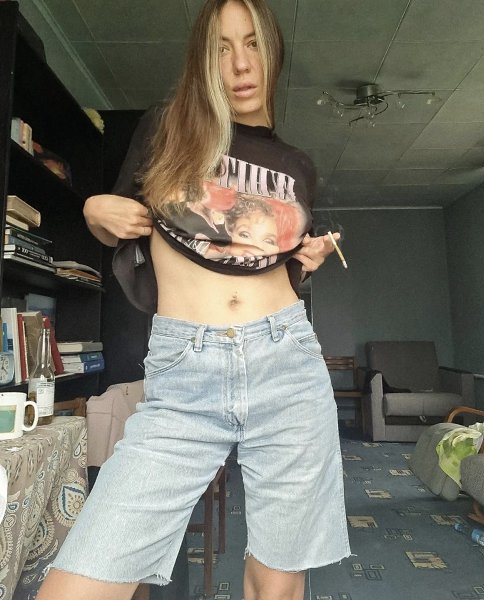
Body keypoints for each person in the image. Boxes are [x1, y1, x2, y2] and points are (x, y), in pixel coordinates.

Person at [37, 1, 350, 599]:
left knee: (278, 583)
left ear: (273, 51)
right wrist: (93, 210)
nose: (240, 64)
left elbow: (274, 266)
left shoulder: (297, 166)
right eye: (221, 48)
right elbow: (122, 225)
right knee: (81, 580)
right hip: (185, 371)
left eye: (252, 43)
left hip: (287, 362)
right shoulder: (167, 129)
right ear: (203, 62)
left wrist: (304, 261)